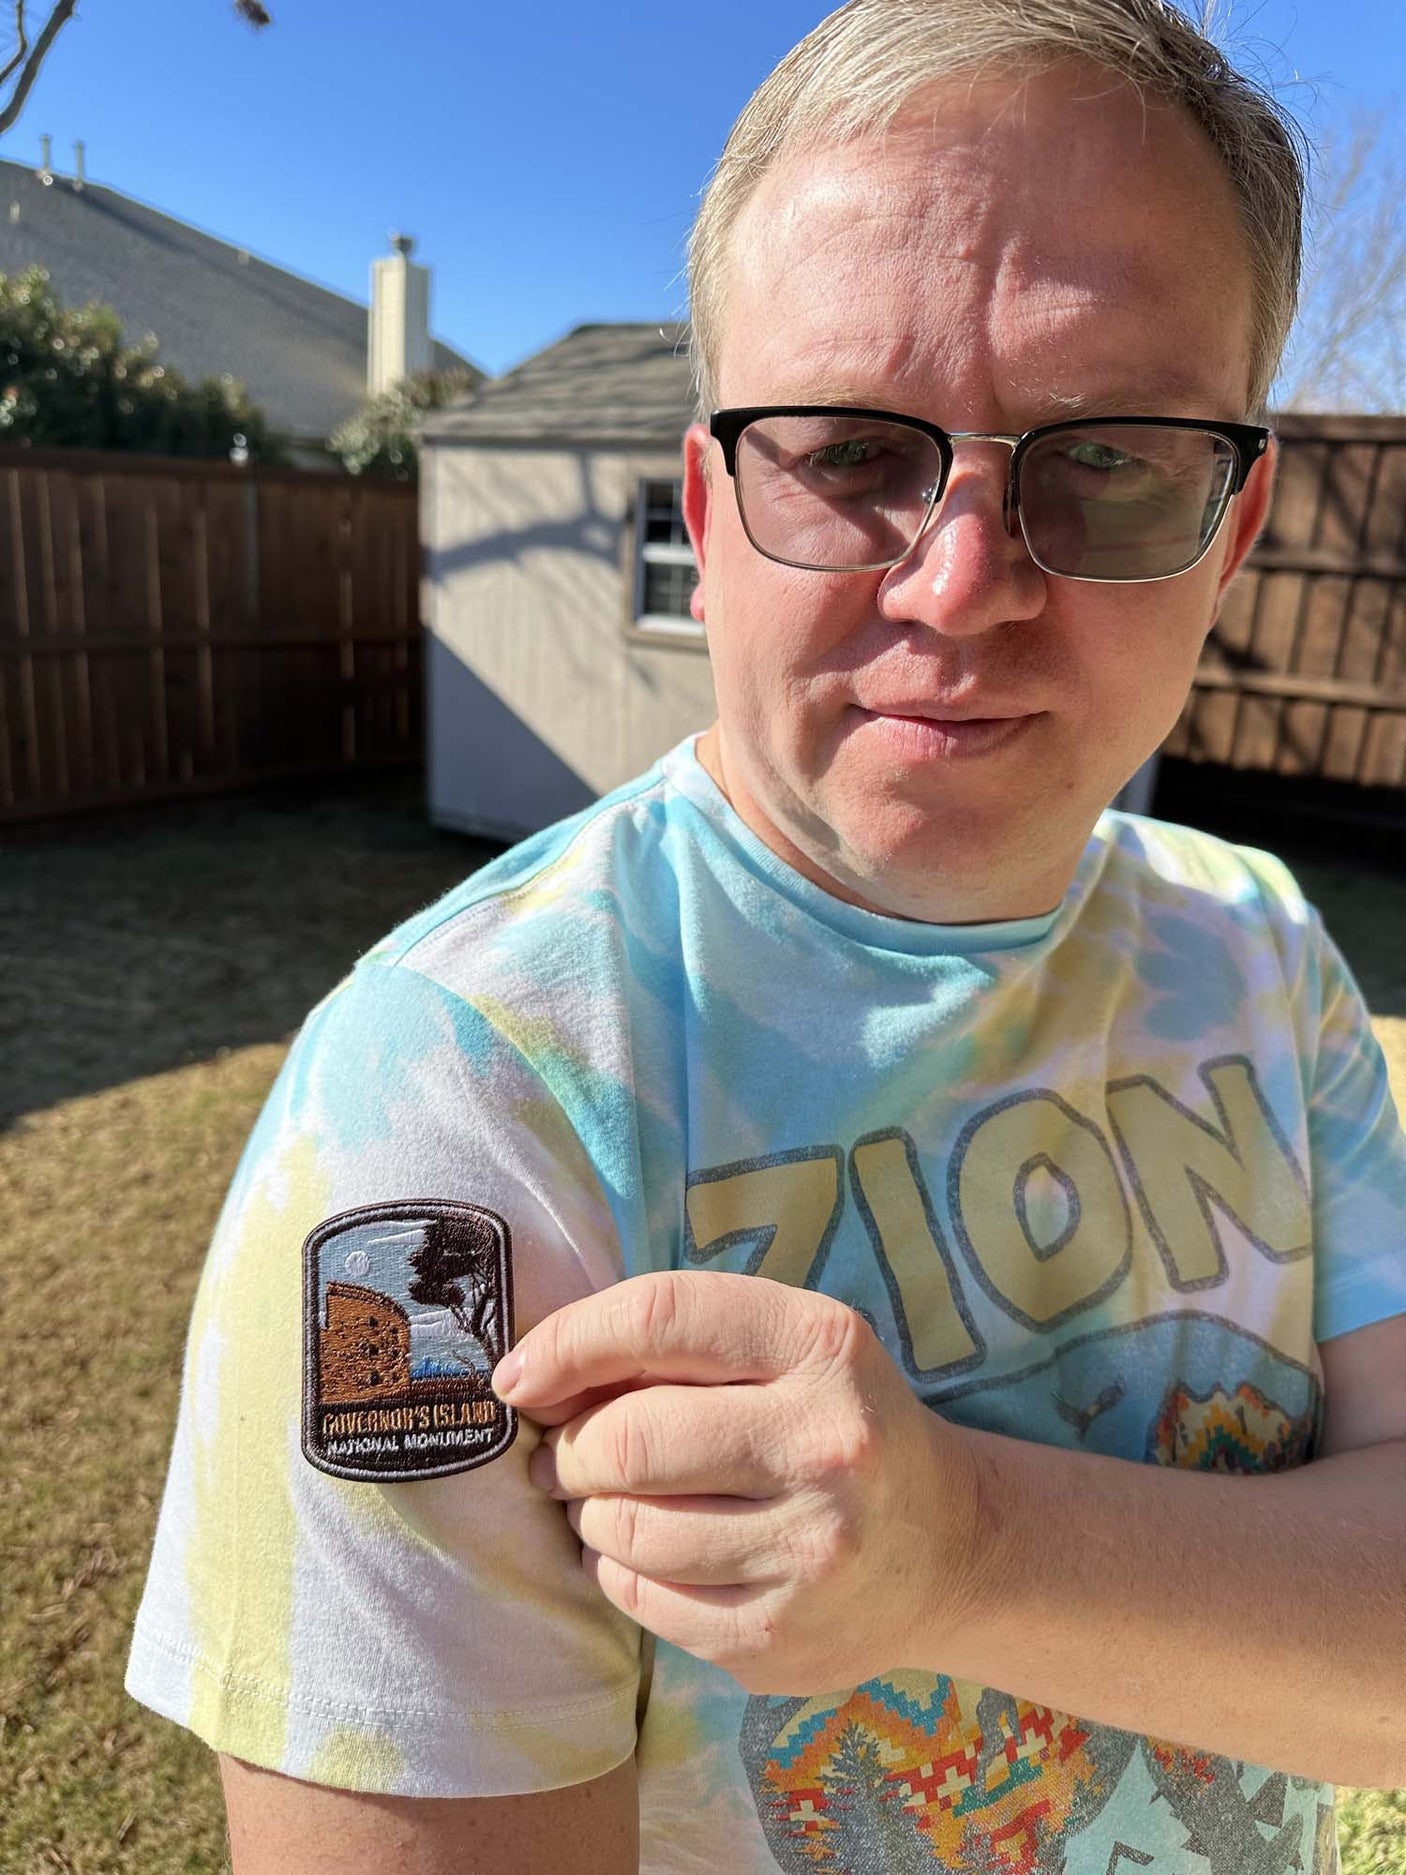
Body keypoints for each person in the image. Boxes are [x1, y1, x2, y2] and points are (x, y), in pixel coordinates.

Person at [127, 2, 1406, 1870]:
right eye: (843, 454)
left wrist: (963, 1555)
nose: (961, 585)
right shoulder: (453, 1100)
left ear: (1232, 525)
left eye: (1108, 456)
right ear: (707, 512)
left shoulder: (1262, 946)